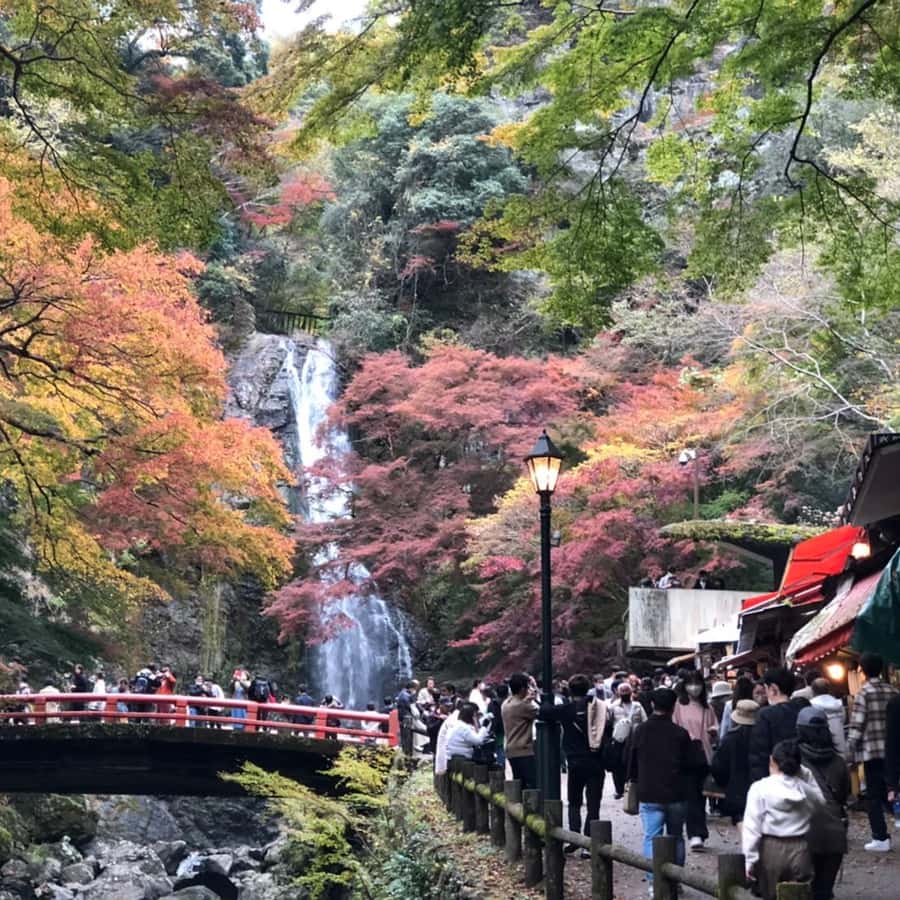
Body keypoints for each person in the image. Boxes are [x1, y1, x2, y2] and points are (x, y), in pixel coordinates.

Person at [628, 688, 701, 886]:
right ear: (673, 706)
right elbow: (690, 764)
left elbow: (632, 761)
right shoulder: (680, 734)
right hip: (676, 792)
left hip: (649, 791)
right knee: (676, 836)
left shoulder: (641, 731)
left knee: (651, 837)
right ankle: (676, 880)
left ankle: (655, 882)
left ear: (652, 705)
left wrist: (632, 780)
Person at [742, 740, 824, 900]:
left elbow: (752, 828)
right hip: (800, 849)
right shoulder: (805, 790)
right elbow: (820, 804)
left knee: (769, 895)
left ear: (772, 760)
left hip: (769, 849)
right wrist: (804, 773)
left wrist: (749, 860)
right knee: (799, 895)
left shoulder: (759, 788)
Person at [540, 673, 610, 857]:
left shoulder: (566, 709)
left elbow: (544, 711)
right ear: (588, 689)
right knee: (594, 803)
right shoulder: (599, 708)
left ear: (570, 690)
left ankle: (574, 838)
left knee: (574, 802)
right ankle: (589, 843)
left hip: (575, 761)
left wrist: (544, 696)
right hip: (596, 760)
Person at [796, 707, 849, 900]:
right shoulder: (839, 762)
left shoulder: (792, 760)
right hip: (835, 833)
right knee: (824, 891)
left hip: (802, 832)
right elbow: (843, 795)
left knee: (802, 889)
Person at [847, 652, 897, 851]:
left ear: (863, 671)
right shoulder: (893, 691)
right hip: (894, 751)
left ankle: (880, 837)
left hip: (872, 751)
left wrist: (849, 751)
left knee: (874, 795)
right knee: (892, 789)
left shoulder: (864, 693)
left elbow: (857, 726)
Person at [673, 671, 718, 850]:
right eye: (690, 683)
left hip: (704, 755)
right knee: (692, 796)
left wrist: (713, 731)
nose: (694, 687)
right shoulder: (678, 705)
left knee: (701, 796)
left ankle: (698, 832)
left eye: (697, 683)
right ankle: (696, 834)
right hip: (685, 756)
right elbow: (674, 727)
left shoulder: (707, 706)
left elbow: (714, 725)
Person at [711, 699, 759, 826]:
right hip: (760, 791)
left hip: (736, 793)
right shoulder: (764, 736)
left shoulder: (730, 738)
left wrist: (724, 783)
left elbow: (718, 767)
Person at [749, 667, 800, 784]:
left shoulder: (765, 715)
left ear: (773, 689)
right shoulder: (801, 710)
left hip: (775, 780)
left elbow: (759, 756)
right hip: (800, 778)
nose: (766, 694)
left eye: (766, 689)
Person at [608, 681, 647, 798]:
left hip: (635, 739)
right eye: (622, 691)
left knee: (633, 763)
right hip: (619, 740)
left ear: (631, 692)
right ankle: (619, 789)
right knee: (618, 765)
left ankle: (632, 787)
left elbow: (644, 720)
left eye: (627, 691)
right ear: (618, 693)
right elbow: (609, 722)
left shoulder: (637, 706)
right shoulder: (613, 706)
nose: (625, 693)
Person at [501, 672, 538, 790]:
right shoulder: (522, 706)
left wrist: (527, 699)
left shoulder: (506, 703)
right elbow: (541, 711)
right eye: (527, 687)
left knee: (519, 783)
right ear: (522, 689)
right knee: (531, 785)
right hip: (523, 750)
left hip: (511, 749)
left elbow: (521, 706)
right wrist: (534, 698)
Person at [809, 678, 848, 759]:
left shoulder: (811, 705)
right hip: (840, 744)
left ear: (813, 691)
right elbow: (843, 720)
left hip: (822, 749)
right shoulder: (838, 704)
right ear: (829, 689)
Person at [720, 676, 754, 741]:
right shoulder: (754, 704)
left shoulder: (729, 705)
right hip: (751, 738)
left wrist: (722, 740)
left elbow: (725, 725)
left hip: (733, 738)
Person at [487, 684, 508, 770]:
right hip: (505, 729)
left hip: (496, 730)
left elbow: (489, 717)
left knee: (499, 749)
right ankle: (502, 766)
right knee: (501, 749)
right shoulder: (508, 703)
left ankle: (500, 767)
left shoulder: (492, 704)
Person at [230, 666, 251, 731]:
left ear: (247, 676)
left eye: (243, 674)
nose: (241, 675)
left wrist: (240, 680)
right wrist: (234, 681)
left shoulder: (249, 683)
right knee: (235, 720)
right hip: (236, 705)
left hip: (244, 705)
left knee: (244, 720)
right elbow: (231, 690)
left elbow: (247, 688)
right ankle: (235, 731)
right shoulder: (236, 683)